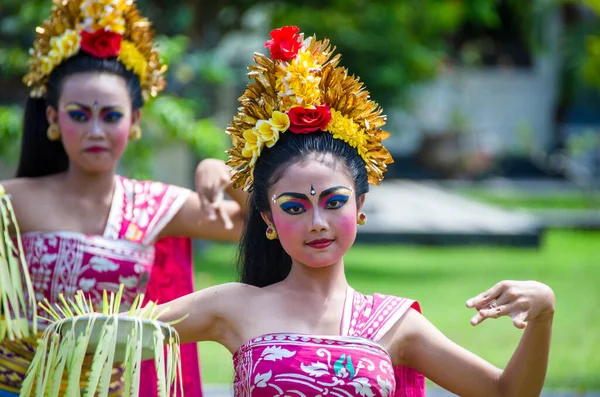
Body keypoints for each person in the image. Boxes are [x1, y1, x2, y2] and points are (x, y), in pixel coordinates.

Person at [157, 26, 556, 397]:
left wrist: (543, 313)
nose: (317, 223)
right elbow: (114, 333)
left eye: (334, 203)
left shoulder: (392, 323)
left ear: (360, 204)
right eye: (294, 207)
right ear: (267, 219)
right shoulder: (232, 306)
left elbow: (506, 392)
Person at [0, 0, 246, 396]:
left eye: (111, 116)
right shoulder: (12, 202)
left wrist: (224, 170)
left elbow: (261, 225)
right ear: (52, 119)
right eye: (79, 115)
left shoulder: (153, 207)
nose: (95, 130)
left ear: (134, 121)